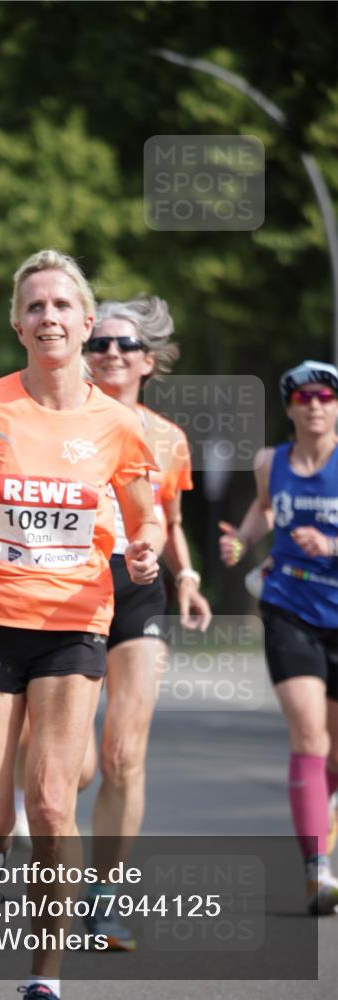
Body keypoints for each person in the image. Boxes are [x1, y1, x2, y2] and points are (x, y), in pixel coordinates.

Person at [0, 249, 164, 1000]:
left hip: (74, 622)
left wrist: (144, 551)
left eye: (61, 305)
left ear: (86, 323)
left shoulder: (116, 424)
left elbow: (143, 517)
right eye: (34, 306)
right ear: (17, 324)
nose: (48, 317)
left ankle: (42, 980)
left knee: (51, 801)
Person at [14, 296, 212, 950]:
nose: (109, 353)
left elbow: (172, 522)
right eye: (98, 343)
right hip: (70, 590)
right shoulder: (58, 420)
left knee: (124, 753)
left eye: (123, 345)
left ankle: (102, 898)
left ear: (146, 361)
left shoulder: (166, 439)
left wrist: (185, 576)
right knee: (72, 768)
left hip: (139, 592)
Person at [220, 360, 338, 915]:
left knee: (334, 750)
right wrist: (242, 541)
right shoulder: (272, 462)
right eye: (305, 397)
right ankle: (317, 869)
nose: (315, 405)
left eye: (326, 396)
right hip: (289, 608)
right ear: (291, 407)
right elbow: (264, 510)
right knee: (309, 738)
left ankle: (323, 817)